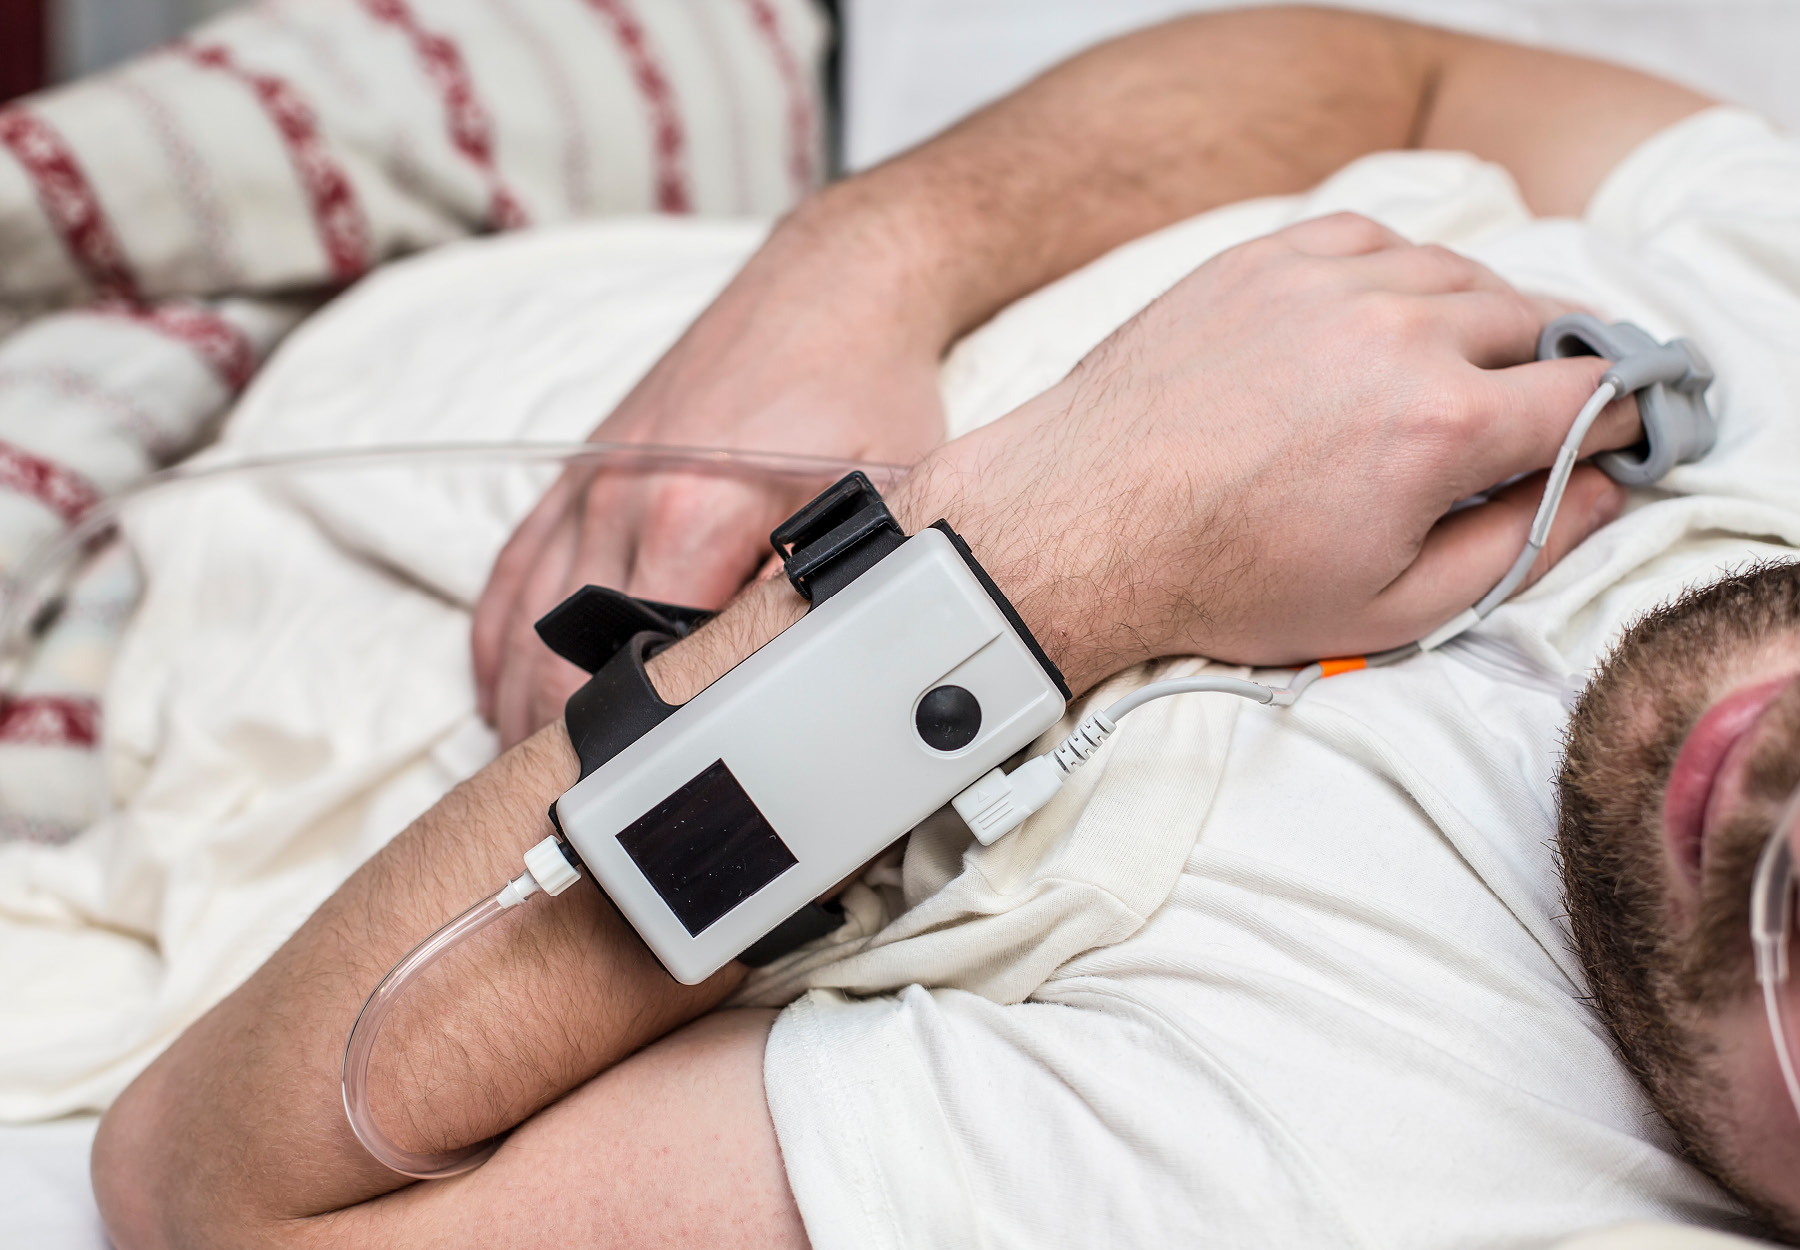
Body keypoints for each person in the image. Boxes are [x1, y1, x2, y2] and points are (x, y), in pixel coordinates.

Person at [85, 6, 1800, 1248]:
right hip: (627, 236)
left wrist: (1054, 553)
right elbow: (1399, 69)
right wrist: (855, 267)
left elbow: (216, 1195)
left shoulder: (1322, 1164)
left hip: (195, 544)